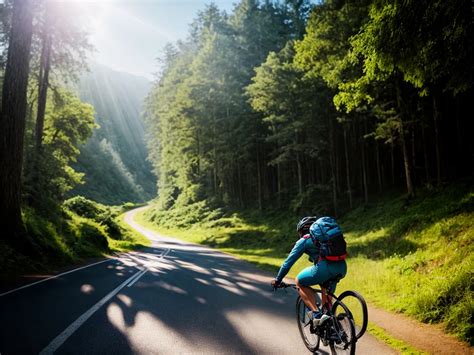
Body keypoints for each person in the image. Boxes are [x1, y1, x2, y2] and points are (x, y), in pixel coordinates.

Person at [271, 216, 347, 326]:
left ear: (302, 231)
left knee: (299, 281)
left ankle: (316, 314)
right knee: (328, 310)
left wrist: (278, 280)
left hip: (325, 269)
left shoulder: (304, 240)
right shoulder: (326, 238)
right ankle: (335, 330)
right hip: (341, 267)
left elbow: (287, 263)